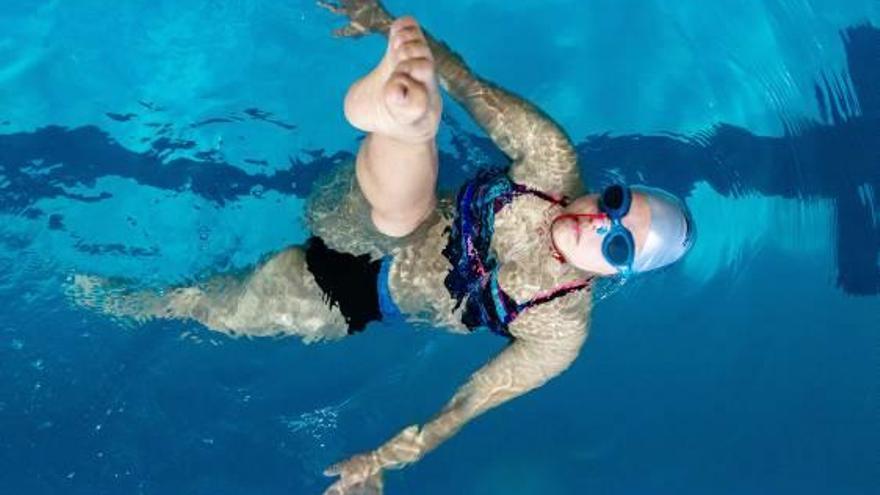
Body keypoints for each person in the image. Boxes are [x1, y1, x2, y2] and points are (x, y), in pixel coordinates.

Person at [73, 1, 694, 493]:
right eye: (614, 203)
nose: (596, 224)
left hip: (345, 296)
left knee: (183, 305)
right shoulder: (551, 161)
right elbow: (471, 86)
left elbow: (469, 402)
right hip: (362, 213)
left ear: (618, 276)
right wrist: (379, 18)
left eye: (616, 247)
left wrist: (388, 457)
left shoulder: (560, 329)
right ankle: (404, 113)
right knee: (401, 217)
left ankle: (401, 116)